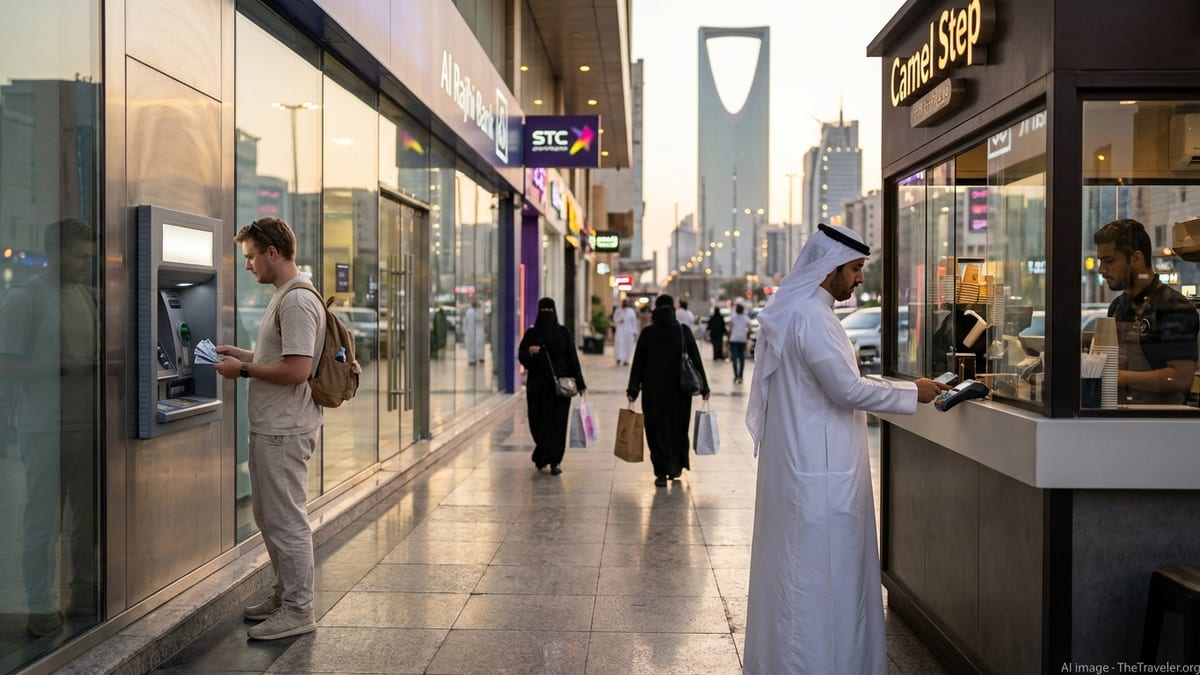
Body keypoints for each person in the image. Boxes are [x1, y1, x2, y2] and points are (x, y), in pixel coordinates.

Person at [742, 224, 948, 674]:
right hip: (817, 478)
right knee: (815, 583)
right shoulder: (812, 317)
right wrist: (912, 391)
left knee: (806, 579)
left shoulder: (803, 312)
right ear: (831, 268)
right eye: (854, 269)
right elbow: (847, 389)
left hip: (809, 470)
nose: (858, 279)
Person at [215, 217, 325, 641]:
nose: (248, 265)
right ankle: (285, 596)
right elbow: (282, 356)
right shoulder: (286, 296)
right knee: (270, 516)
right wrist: (241, 354)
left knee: (285, 519)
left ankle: (299, 609)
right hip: (275, 426)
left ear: (272, 253)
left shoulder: (296, 301)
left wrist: (241, 369)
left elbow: (297, 370)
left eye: (250, 256)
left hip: (284, 429)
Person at [0, 218, 99, 637]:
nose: (84, 264)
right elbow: (5, 365)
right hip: (43, 428)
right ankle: (40, 607)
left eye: (88, 257)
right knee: (42, 520)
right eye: (79, 256)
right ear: (56, 253)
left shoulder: (86, 297)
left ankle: (81, 599)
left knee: (86, 522)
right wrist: (62, 368)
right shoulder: (24, 299)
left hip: (85, 426)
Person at [1094, 218, 1198, 405]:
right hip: (1118, 418)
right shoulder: (1117, 307)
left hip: (1159, 425)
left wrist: (1118, 377)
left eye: (1108, 261)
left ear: (1136, 259)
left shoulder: (1173, 307)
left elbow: (1181, 378)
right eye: (1100, 261)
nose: (1101, 269)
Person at [627, 294, 710, 487]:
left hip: (653, 393)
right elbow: (696, 360)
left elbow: (638, 364)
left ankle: (661, 472)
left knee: (656, 431)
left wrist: (633, 389)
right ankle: (675, 467)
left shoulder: (648, 334)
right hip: (680, 394)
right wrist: (704, 386)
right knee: (677, 429)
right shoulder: (683, 331)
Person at [518, 297, 587, 474]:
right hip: (538, 389)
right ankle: (542, 454)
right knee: (538, 422)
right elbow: (522, 357)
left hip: (560, 389)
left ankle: (555, 460)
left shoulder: (563, 333)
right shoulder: (532, 334)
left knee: (558, 424)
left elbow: (572, 358)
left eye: (549, 310)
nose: (547, 314)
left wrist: (580, 382)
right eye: (544, 311)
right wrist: (530, 353)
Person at [728, 303, 751, 384]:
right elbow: (750, 328)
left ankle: (736, 376)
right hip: (742, 339)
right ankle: (741, 376)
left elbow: (730, 329)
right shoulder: (746, 318)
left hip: (734, 339)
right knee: (742, 358)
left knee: (734, 358)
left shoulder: (733, 318)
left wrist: (729, 338)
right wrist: (747, 336)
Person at [613, 297, 638, 366]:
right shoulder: (618, 310)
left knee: (628, 346)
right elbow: (614, 319)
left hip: (629, 332)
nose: (625, 303)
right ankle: (618, 358)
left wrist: (635, 332)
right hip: (620, 331)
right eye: (623, 302)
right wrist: (619, 320)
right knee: (619, 344)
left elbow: (634, 322)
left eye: (626, 302)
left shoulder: (631, 311)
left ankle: (626, 360)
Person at [464, 300, 485, 365]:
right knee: (476, 344)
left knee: (474, 344)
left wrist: (465, 330)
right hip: (475, 331)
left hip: (473, 331)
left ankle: (474, 359)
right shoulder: (472, 311)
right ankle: (476, 358)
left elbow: (465, 322)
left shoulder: (470, 311)